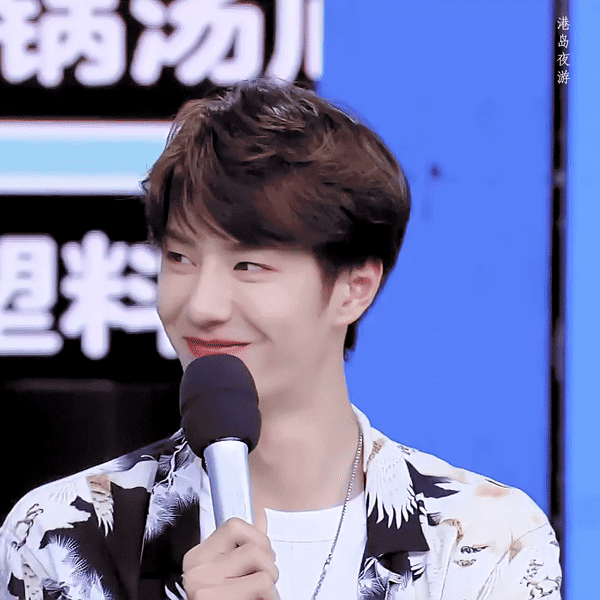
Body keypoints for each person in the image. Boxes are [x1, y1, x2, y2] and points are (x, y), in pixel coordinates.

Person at [0, 79, 561, 600]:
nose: (202, 306)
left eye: (248, 266)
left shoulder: (484, 541)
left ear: (354, 288)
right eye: (179, 258)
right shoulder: (61, 534)